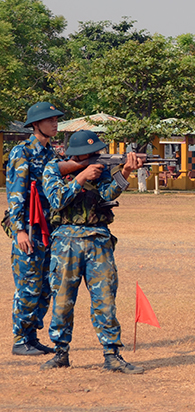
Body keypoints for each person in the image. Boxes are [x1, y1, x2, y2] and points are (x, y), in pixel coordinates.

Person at [39, 130, 145, 373]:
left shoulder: (102, 168)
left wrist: (126, 171)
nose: (96, 155)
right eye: (90, 153)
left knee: (105, 299)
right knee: (63, 300)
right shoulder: (53, 169)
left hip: (98, 239)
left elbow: (109, 194)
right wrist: (81, 177)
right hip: (65, 241)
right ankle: (60, 353)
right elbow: (56, 200)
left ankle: (112, 354)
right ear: (75, 154)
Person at [7, 102, 65, 356]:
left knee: (45, 287)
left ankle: (31, 336)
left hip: (49, 228)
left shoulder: (52, 155)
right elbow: (16, 193)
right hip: (30, 229)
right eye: (49, 120)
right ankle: (20, 339)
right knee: (29, 284)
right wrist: (19, 229)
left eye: (56, 119)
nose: (54, 123)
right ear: (35, 125)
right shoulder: (23, 152)